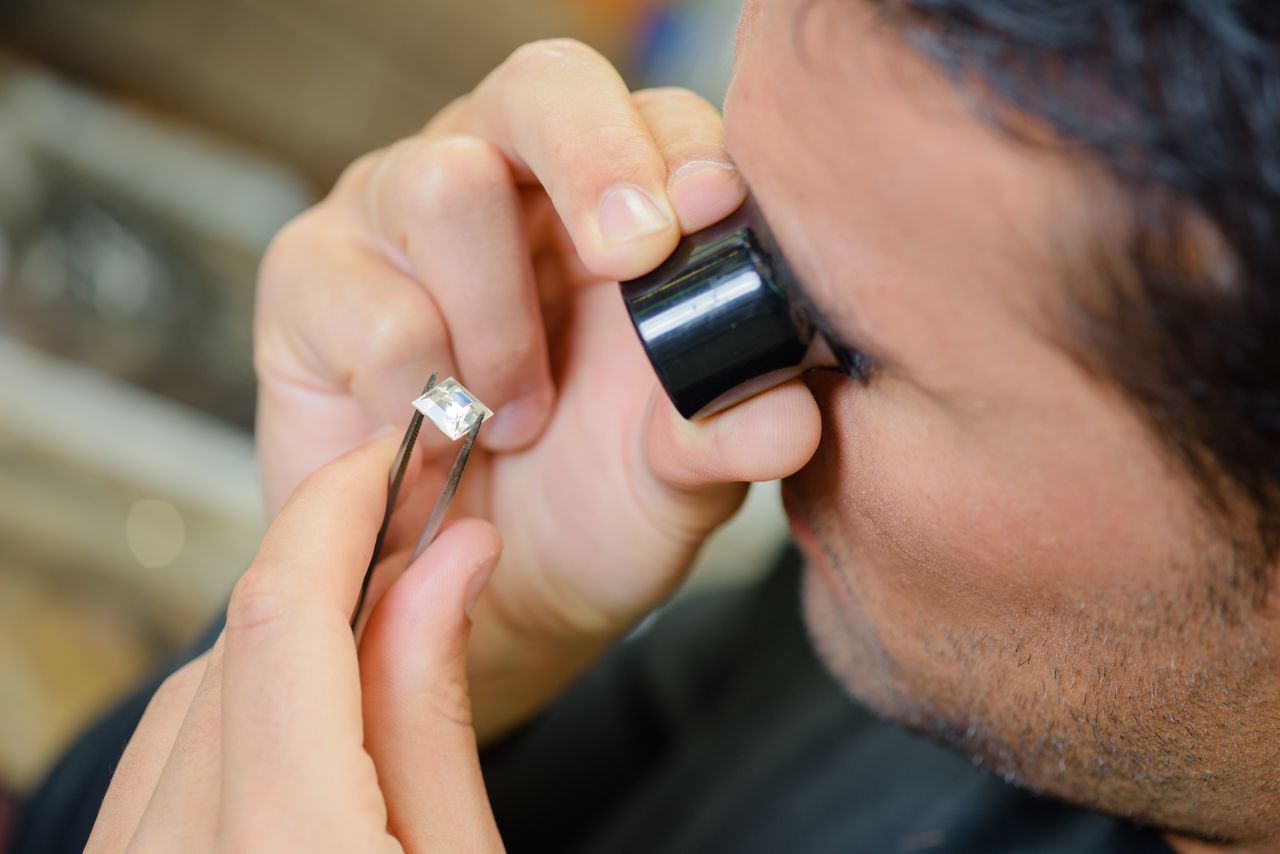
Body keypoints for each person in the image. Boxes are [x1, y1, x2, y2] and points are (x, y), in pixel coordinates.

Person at [14, 0, 1280, 851]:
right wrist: (434, 652)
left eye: (843, 336)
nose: (732, 382)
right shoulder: (922, 671)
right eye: (746, 233)